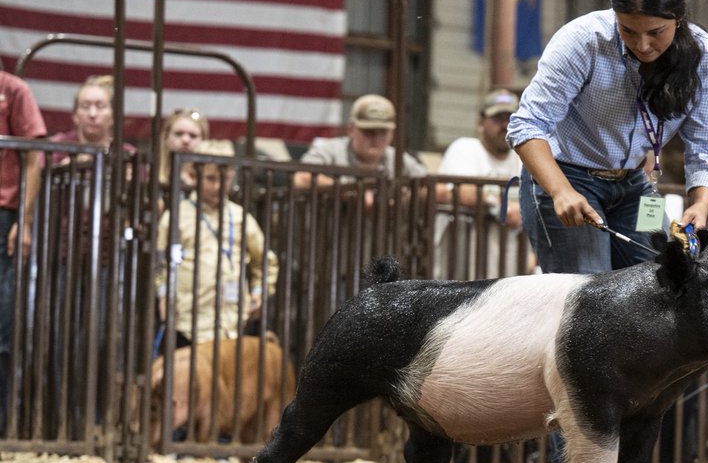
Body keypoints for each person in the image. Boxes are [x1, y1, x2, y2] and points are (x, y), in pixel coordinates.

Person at [507, 0, 708, 463]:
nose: (643, 44)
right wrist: (559, 190)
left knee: (653, 300)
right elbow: (526, 125)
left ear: (678, 19)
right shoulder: (580, 41)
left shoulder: (704, 57)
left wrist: (699, 204)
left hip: (638, 188)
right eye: (629, 30)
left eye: (655, 31)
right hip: (564, 177)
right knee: (587, 318)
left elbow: (705, 142)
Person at [156, 141, 279, 348]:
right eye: (210, 179)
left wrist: (259, 290)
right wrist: (163, 293)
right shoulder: (176, 216)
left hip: (231, 321)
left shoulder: (241, 218)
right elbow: (161, 262)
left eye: (225, 179)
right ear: (195, 176)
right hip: (187, 321)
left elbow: (264, 261)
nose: (218, 186)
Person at [434, 88, 525, 280]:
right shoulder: (465, 148)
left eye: (511, 118)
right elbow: (463, 192)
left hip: (511, 264)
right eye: (497, 119)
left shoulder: (524, 157)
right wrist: (498, 206)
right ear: (480, 122)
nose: (505, 125)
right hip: (464, 266)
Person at [1, 67, 47, 435]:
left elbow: (34, 156)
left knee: (3, 326)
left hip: (5, 215)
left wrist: (25, 219)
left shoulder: (12, 90)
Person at [293, 94, 427, 193]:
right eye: (368, 131)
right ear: (351, 130)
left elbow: (432, 188)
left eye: (382, 132)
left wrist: (406, 196)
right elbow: (301, 178)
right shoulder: (330, 150)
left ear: (392, 133)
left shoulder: (398, 159)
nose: (375, 138)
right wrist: (350, 192)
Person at [48, 75, 135, 166]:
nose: (92, 114)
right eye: (85, 106)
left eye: (100, 106)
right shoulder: (55, 149)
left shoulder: (127, 154)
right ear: (75, 115)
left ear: (113, 117)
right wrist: (61, 170)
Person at [157, 107, 210, 190]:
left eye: (193, 136)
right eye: (179, 134)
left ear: (204, 139)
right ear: (165, 137)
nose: (186, 140)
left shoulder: (213, 179)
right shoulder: (151, 174)